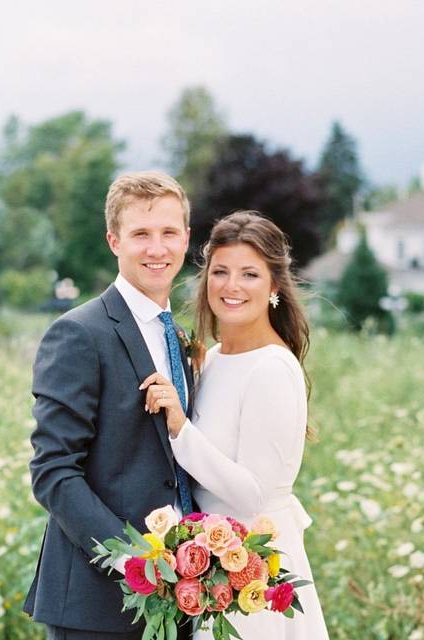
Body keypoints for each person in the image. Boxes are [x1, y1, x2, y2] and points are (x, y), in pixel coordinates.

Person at [140, 211, 329, 640]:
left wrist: (180, 429)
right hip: (215, 574)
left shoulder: (273, 367)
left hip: (258, 574)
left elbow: (253, 493)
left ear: (274, 286)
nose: (232, 286)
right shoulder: (216, 358)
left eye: (249, 274)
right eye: (220, 271)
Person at [24, 171, 196, 640]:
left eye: (168, 233)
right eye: (141, 234)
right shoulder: (79, 333)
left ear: (186, 238)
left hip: (181, 600)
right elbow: (53, 471)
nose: (156, 249)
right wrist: (135, 559)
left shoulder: (178, 336)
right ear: (114, 240)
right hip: (97, 608)